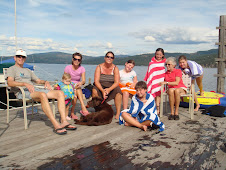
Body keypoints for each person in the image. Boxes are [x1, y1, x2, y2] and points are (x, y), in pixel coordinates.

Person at [6, 49, 76, 135]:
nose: (21, 58)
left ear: (25, 58)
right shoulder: (11, 69)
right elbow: (10, 82)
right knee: (42, 95)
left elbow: (38, 81)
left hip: (34, 90)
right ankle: (56, 124)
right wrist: (24, 83)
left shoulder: (27, 70)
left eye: (23, 57)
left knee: (60, 93)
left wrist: (45, 82)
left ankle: (64, 121)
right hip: (22, 92)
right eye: (18, 56)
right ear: (15, 58)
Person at [92, 51, 122, 119]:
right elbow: (96, 81)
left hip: (111, 87)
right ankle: (98, 110)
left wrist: (109, 89)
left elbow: (117, 82)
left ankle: (118, 113)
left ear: (113, 59)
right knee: (94, 90)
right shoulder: (99, 67)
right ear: (105, 58)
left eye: (111, 57)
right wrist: (102, 91)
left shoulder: (115, 68)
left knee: (118, 91)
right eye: (108, 57)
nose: (109, 58)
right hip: (100, 86)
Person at [64, 52, 89, 119]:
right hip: (68, 85)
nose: (76, 61)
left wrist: (81, 83)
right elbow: (64, 78)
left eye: (78, 60)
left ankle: (72, 113)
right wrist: (71, 85)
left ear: (80, 61)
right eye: (75, 59)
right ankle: (83, 108)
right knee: (77, 90)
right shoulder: (68, 68)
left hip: (77, 86)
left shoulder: (82, 69)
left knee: (77, 91)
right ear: (72, 59)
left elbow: (83, 81)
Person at [144, 48, 166, 115]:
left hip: (161, 81)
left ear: (162, 55)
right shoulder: (151, 63)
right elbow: (150, 73)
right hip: (153, 81)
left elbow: (166, 71)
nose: (158, 56)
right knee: (152, 94)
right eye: (157, 54)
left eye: (160, 55)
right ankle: (152, 108)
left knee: (158, 94)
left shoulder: (165, 63)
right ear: (155, 54)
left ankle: (158, 108)